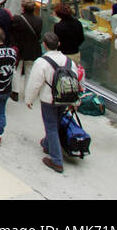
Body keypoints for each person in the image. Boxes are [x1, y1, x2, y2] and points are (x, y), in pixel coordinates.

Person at [24, 32, 81, 174]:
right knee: (55, 123)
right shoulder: (70, 62)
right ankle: (47, 144)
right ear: (59, 44)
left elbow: (35, 84)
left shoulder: (42, 62)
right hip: (66, 98)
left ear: (44, 45)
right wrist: (75, 101)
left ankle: (56, 161)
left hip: (49, 99)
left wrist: (29, 99)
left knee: (51, 127)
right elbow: (77, 82)